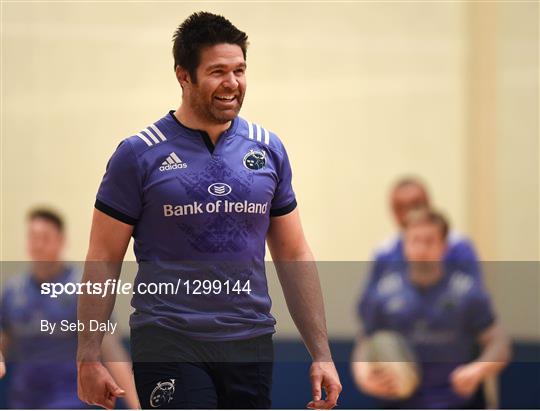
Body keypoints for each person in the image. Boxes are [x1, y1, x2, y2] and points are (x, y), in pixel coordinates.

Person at [77, 12, 341, 410]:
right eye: (218, 71)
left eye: (240, 70)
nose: (232, 83)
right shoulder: (139, 154)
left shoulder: (267, 149)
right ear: (184, 76)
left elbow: (293, 253)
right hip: (167, 337)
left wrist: (321, 353)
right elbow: (103, 257)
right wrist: (88, 356)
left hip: (249, 339)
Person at [352, 209, 511, 408]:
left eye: (429, 241)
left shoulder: (467, 293)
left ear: (444, 246)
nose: (421, 248)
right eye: (414, 240)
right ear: (404, 244)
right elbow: (365, 341)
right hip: (398, 402)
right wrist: (364, 377)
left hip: (455, 403)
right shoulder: (383, 293)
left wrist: (477, 370)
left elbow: (498, 343)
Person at [0, 208, 139, 409]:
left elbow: (112, 350)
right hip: (24, 401)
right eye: (33, 238)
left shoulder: (81, 289)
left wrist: (137, 404)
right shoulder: (13, 292)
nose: (38, 245)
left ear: (61, 240)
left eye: (45, 238)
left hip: (69, 399)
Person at [370, 177, 481, 285]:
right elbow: (370, 299)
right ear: (393, 211)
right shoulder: (384, 252)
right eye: (400, 207)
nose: (408, 212)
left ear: (428, 203)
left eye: (415, 204)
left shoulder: (459, 246)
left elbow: (473, 292)